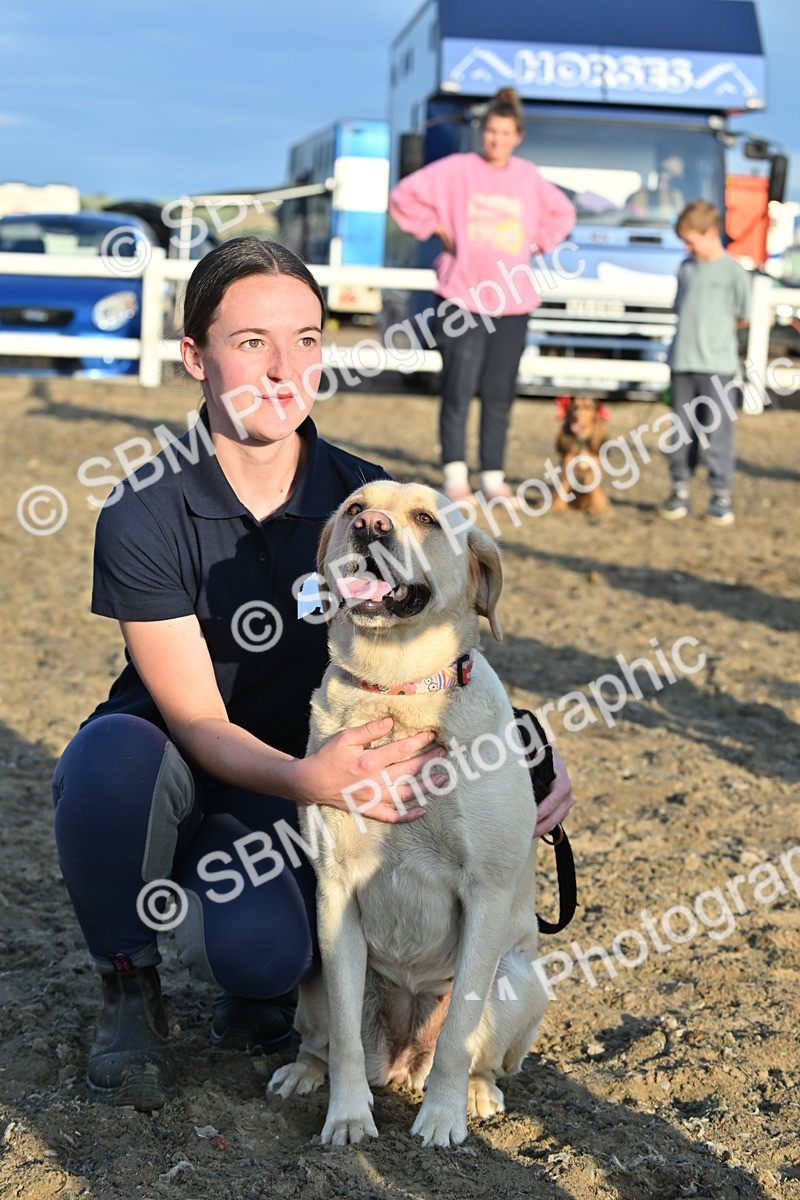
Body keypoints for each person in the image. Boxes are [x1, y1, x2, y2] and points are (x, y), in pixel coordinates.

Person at [51, 236, 575, 1111]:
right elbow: (200, 722)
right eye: (251, 341)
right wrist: (311, 778)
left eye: (304, 339)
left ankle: (249, 977)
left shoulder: (365, 500)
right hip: (186, 756)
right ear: (195, 358)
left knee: (261, 960)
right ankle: (127, 987)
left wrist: (528, 748)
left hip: (300, 778)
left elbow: (440, 639)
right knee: (107, 766)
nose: (283, 366)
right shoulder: (144, 507)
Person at [388, 87, 575, 506]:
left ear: (518, 137)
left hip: (513, 300)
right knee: (458, 388)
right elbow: (403, 196)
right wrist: (436, 227)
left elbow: (563, 212)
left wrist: (537, 242)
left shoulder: (527, 177)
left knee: (499, 392)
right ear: (481, 132)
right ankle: (455, 476)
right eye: (491, 131)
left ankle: (493, 476)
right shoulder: (456, 169)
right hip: (462, 296)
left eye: (505, 133)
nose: (496, 140)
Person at [660, 200, 751, 526]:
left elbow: (743, 315)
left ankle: (720, 492)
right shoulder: (686, 268)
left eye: (690, 240)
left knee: (718, 430)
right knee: (682, 430)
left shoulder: (733, 272)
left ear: (710, 233)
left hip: (718, 367)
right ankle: (679, 486)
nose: (687, 247)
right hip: (683, 363)